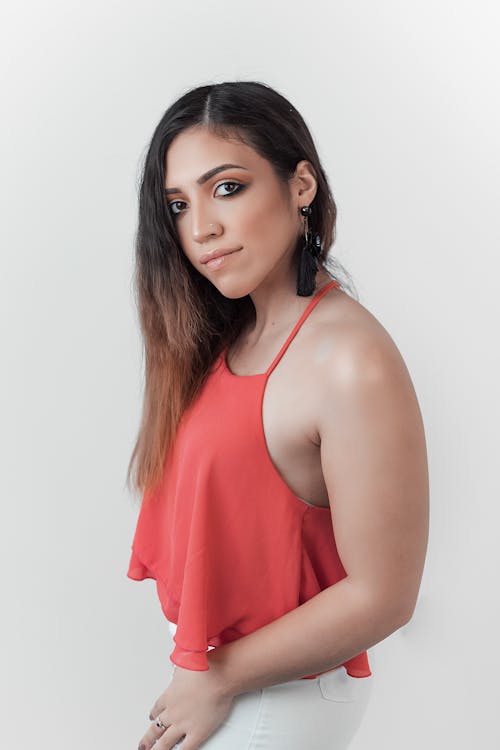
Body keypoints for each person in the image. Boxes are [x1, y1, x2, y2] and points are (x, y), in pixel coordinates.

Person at [126, 80, 429, 750]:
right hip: (225, 682)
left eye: (227, 187)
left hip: (276, 697)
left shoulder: (349, 360)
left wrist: (217, 679)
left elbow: (385, 593)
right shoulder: (229, 335)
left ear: (300, 186)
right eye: (178, 204)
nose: (200, 227)